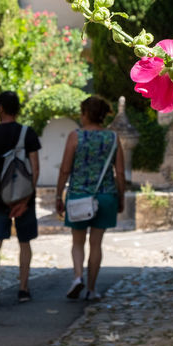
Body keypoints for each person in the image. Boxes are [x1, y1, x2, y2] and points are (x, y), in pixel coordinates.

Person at [55, 95, 126, 302]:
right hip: (105, 196)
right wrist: (120, 197)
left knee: (78, 242)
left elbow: (65, 169)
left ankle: (78, 277)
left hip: (79, 196)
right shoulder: (113, 138)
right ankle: (91, 289)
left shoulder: (75, 137)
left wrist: (59, 195)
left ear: (86, 114)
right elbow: (120, 173)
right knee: (96, 243)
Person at [0, 91, 41, 306]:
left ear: (0, 108)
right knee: (25, 242)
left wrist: (2, 194)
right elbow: (35, 169)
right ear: (17, 109)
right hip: (25, 198)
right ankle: (23, 289)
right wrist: (24, 199)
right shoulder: (28, 134)